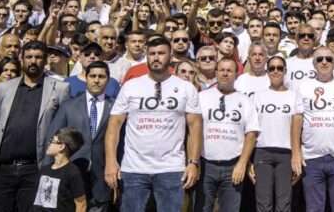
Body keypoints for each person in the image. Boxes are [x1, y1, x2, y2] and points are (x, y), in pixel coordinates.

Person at [104, 37, 203, 212]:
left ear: (170, 56)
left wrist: (193, 162)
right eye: (152, 54)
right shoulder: (131, 86)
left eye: (161, 53)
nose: (156, 58)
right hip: (133, 168)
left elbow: (195, 128)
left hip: (171, 168)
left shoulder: (186, 88)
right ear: (146, 55)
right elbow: (114, 126)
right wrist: (111, 161)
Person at [0, 40, 71, 212]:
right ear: (21, 58)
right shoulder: (5, 88)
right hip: (3, 169)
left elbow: (64, 127)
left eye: (38, 57)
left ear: (46, 59)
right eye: (29, 57)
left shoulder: (61, 88)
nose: (33, 61)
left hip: (36, 168)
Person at [291, 46, 334, 212]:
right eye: (319, 59)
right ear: (313, 64)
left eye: (328, 59)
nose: (324, 62)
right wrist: (296, 153)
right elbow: (297, 120)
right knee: (314, 209)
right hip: (312, 157)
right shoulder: (303, 86)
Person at [47, 61, 116, 211]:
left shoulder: (116, 106)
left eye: (101, 76)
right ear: (86, 77)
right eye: (92, 76)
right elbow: (52, 138)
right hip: (72, 173)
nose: (96, 80)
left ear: (108, 79)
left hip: (103, 177)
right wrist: (48, 172)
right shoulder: (68, 105)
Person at [194, 58, 259, 211]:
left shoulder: (245, 100)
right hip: (205, 164)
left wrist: (242, 163)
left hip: (233, 166)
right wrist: (194, 162)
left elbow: (252, 134)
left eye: (229, 71)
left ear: (236, 74)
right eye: (221, 70)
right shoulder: (202, 97)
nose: (225, 74)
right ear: (216, 72)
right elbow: (192, 130)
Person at [251, 56, 296, 212]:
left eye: (279, 68)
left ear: (285, 71)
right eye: (272, 68)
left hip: (286, 153)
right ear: (267, 71)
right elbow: (251, 129)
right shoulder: (258, 96)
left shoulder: (294, 96)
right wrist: (249, 159)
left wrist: (297, 155)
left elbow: (299, 129)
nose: (275, 71)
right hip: (262, 152)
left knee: (284, 204)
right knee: (263, 204)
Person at [34, 128, 87, 212]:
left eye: (52, 140)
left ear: (61, 146)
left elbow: (81, 204)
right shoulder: (44, 169)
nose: (49, 142)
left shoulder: (72, 172)